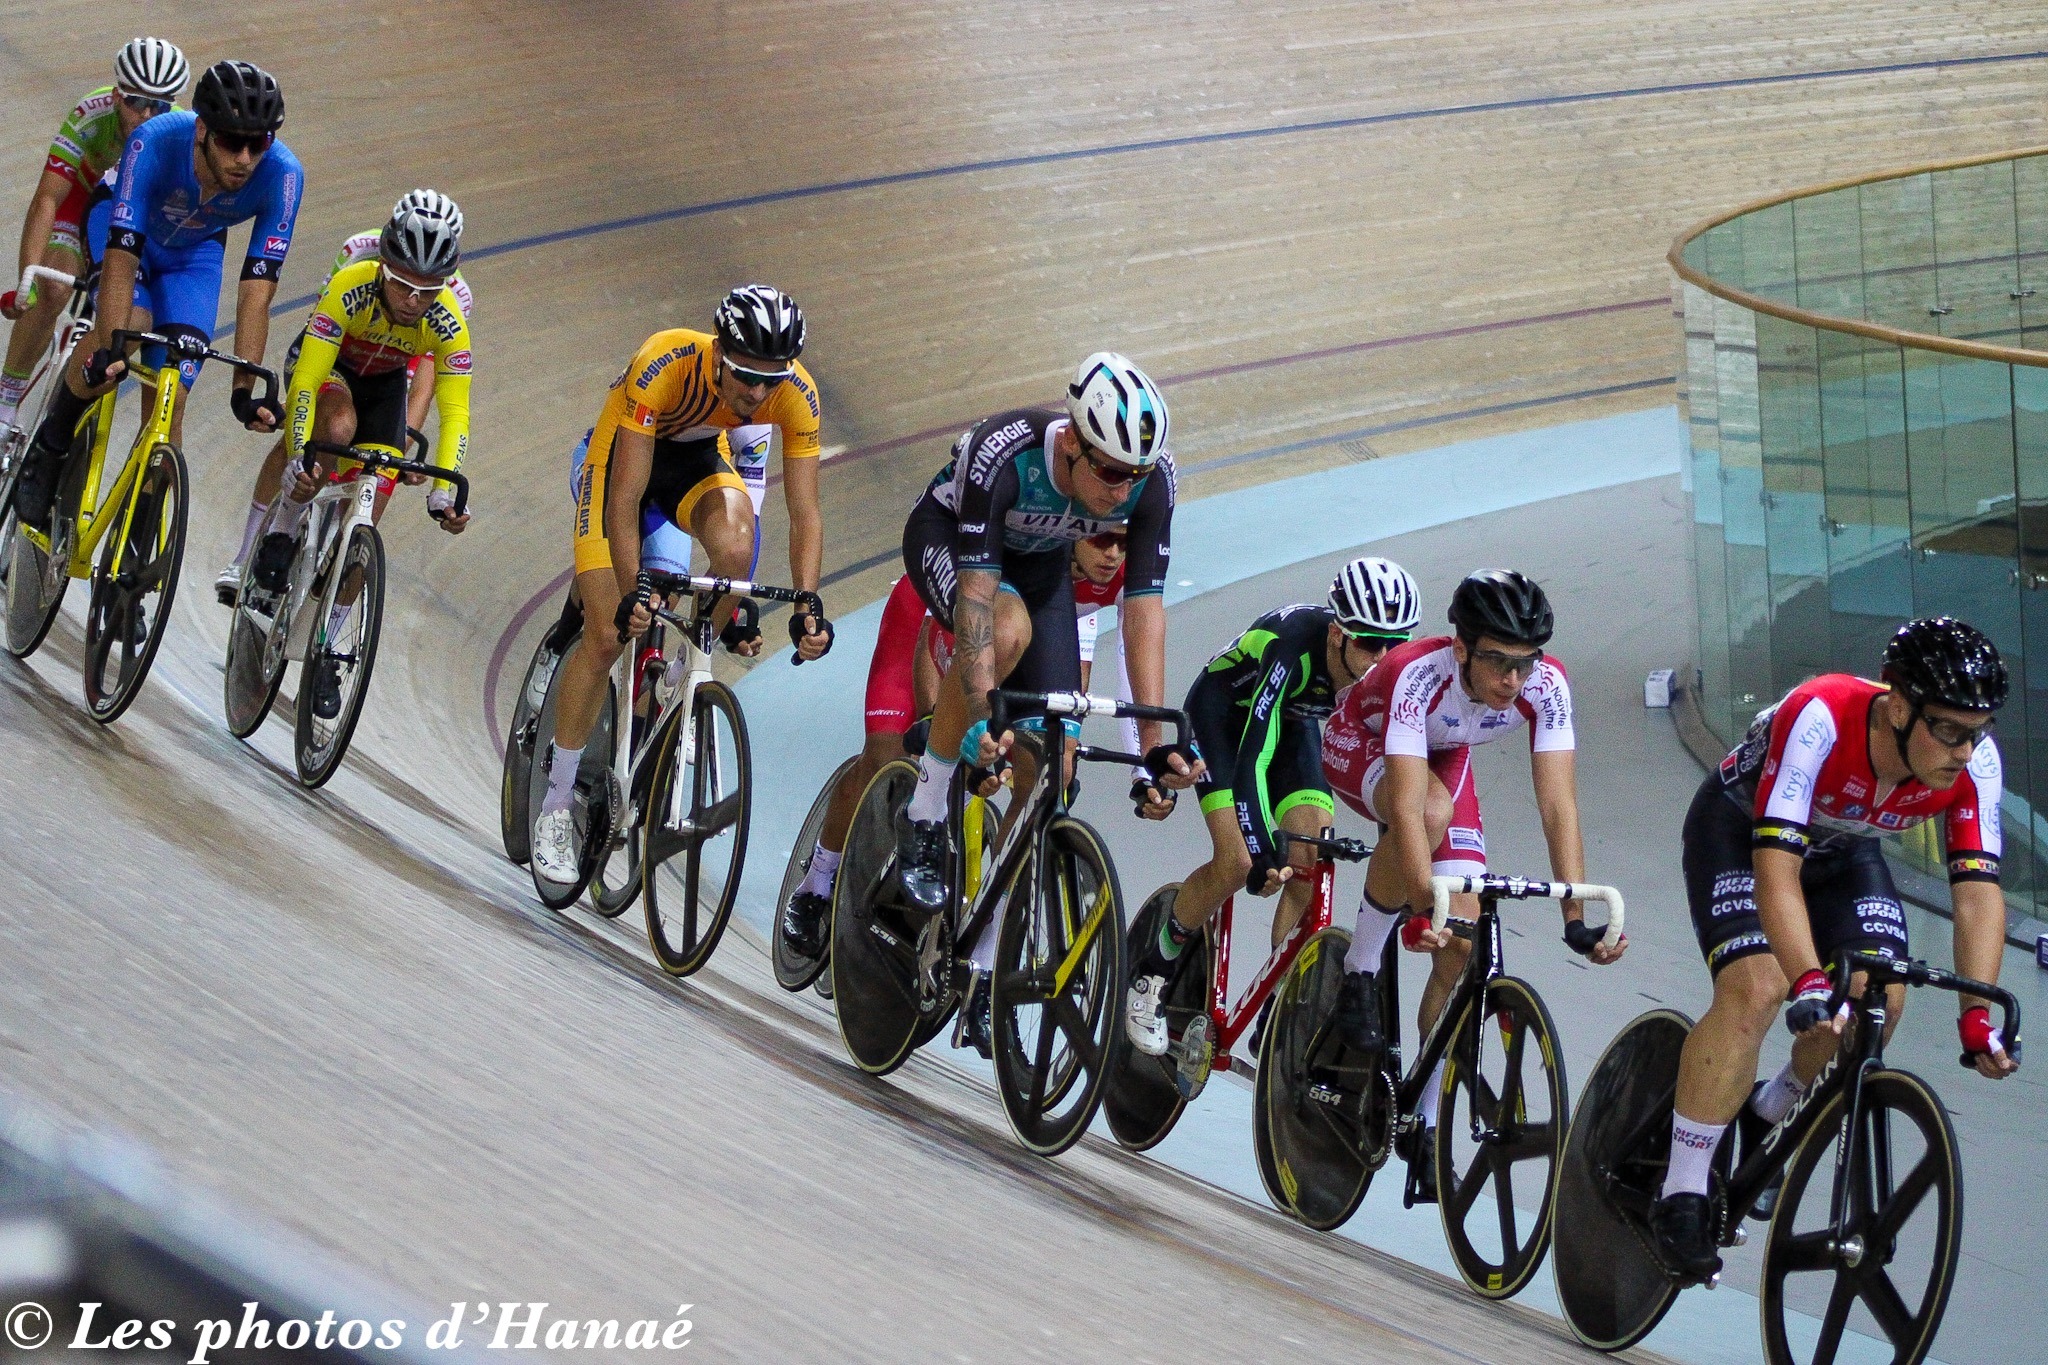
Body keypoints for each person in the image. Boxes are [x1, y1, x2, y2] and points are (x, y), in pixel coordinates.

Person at [1647, 616, 2018, 1278]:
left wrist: (1976, 1016)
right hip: (1741, 834)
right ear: (1898, 706)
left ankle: (1770, 1110)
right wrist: (1808, 980)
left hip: (1845, 852)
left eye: (1978, 730)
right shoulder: (1820, 715)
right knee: (1760, 987)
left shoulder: (1976, 763)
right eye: (1949, 730)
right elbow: (1776, 871)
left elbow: (1977, 894)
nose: (1966, 750)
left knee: (1879, 1000)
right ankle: (1680, 1192)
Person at [1318, 568, 1626, 1199]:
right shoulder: (1416, 674)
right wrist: (1418, 908)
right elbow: (1408, 812)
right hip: (1361, 742)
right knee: (1429, 817)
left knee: (1461, 944)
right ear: (1460, 648)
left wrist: (1574, 914)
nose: (1513, 680)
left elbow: (1559, 805)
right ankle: (1359, 969)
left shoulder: (1547, 684)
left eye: (1525, 663)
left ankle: (1425, 1123)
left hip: (1444, 753)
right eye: (1498, 662)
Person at [530, 285, 834, 885]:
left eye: (771, 380)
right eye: (747, 376)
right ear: (718, 352)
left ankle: (679, 676)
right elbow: (624, 501)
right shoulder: (665, 361)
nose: (758, 393)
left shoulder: (797, 394)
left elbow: (805, 513)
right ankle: (556, 804)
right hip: (617, 464)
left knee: (738, 544)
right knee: (606, 635)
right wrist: (632, 593)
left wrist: (807, 602)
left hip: (693, 465)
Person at [891, 351, 1197, 921]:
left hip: (1038, 564)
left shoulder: (1152, 482)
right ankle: (924, 810)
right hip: (951, 539)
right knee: (1005, 630)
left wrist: (1152, 746)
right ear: (1070, 444)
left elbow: (1144, 613)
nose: (1123, 493)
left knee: (1055, 768)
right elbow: (977, 603)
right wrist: (979, 712)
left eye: (1136, 475)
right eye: (1112, 473)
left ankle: (985, 946)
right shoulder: (1007, 453)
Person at [778, 530, 1128, 973]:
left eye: (1124, 543)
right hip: (935, 618)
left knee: (1036, 766)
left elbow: (1072, 684)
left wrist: (1055, 756)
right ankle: (817, 880)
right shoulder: (1021, 543)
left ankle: (984, 945)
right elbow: (936, 639)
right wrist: (933, 719)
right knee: (886, 754)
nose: (1112, 554)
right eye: (1101, 541)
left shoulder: (1099, 587)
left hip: (1017, 642)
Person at [1123, 556, 1420, 1060]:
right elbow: (1254, 757)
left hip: (1292, 722)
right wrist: (1261, 848)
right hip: (1223, 719)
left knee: (1311, 856)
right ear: (1337, 634)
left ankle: (1279, 1009)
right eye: (1371, 643)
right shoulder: (1292, 646)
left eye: (1397, 644)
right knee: (1237, 861)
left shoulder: (1388, 670)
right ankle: (1153, 972)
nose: (1383, 658)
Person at [12, 60, 299, 528]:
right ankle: (51, 443)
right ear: (202, 130)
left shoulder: (284, 175)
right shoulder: (155, 140)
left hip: (194, 254)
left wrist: (244, 390)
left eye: (259, 143)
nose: (246, 158)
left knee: (174, 392)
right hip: (128, 231)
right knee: (132, 327)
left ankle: (139, 539)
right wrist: (111, 345)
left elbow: (256, 293)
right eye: (232, 142)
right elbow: (122, 257)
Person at [217, 191, 476, 603]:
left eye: (427, 291)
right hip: (333, 361)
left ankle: (329, 631)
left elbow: (452, 408)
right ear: (384, 266)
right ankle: (282, 528)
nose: (414, 301)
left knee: (370, 512)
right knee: (337, 426)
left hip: (386, 380)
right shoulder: (353, 270)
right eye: (403, 285)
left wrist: (444, 490)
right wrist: (300, 452)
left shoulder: (452, 314)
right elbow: (308, 377)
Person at [0, 37, 188, 432]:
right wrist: (27, 280)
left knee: (130, 317)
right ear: (118, 96)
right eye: (137, 102)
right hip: (82, 199)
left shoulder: (178, 132)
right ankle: (5, 400)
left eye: (159, 106)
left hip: (131, 216)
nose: (147, 114)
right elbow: (48, 198)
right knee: (54, 290)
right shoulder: (91, 114)